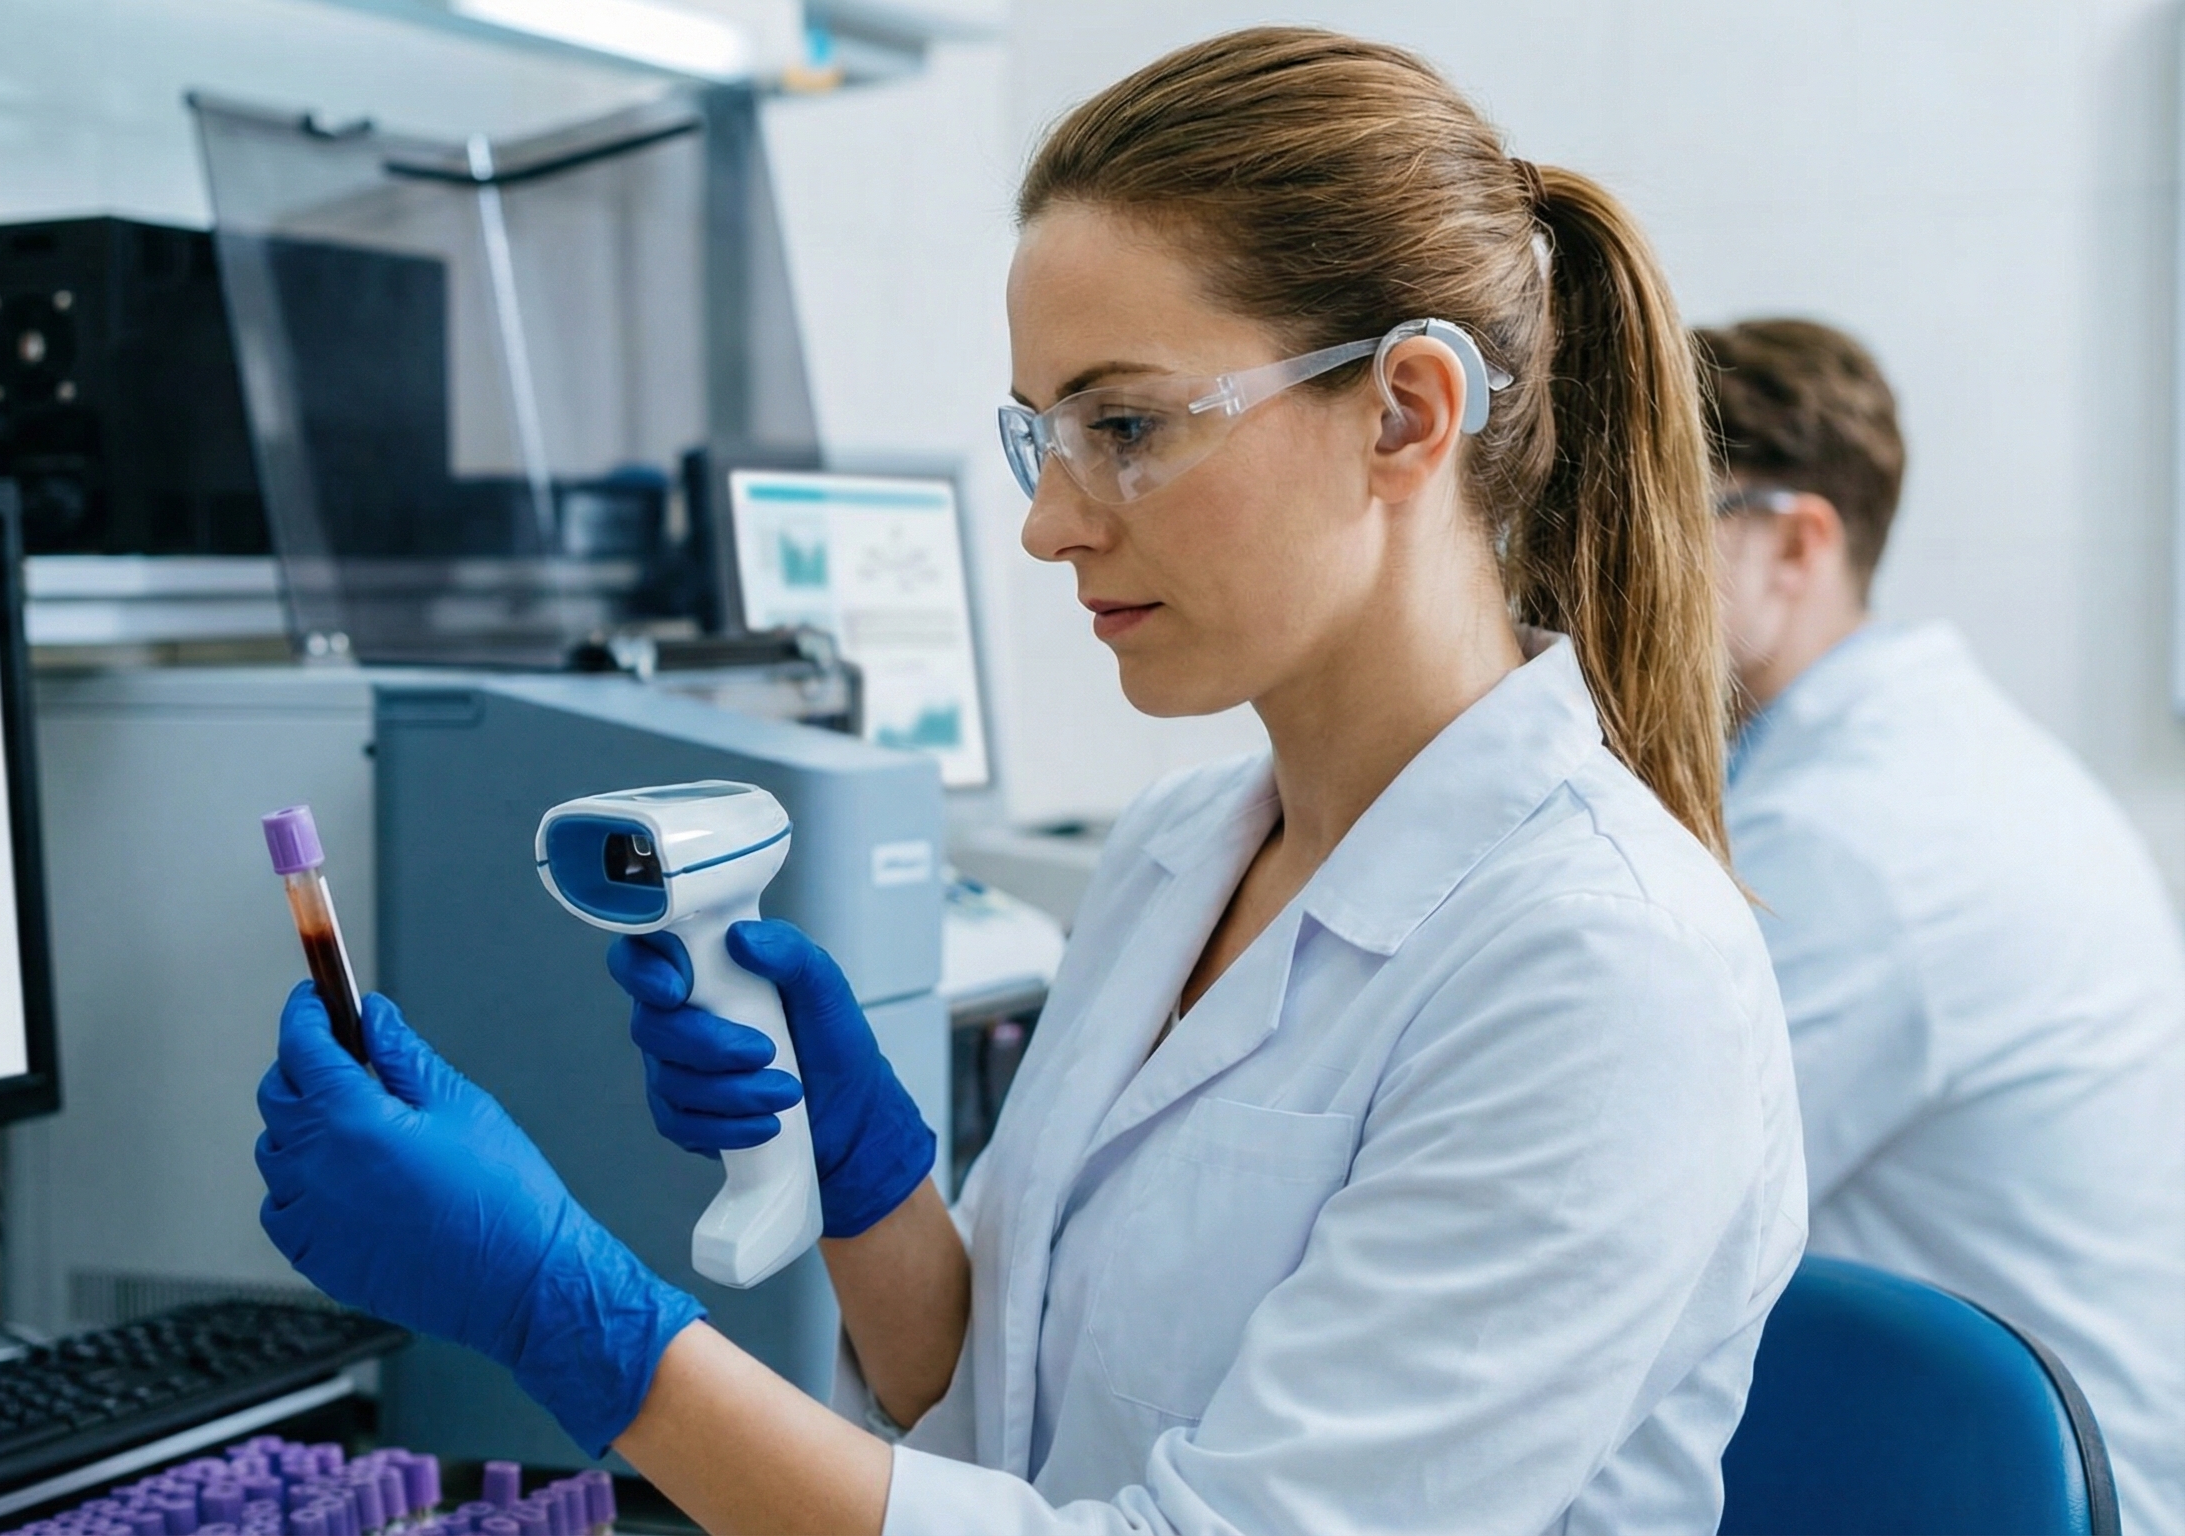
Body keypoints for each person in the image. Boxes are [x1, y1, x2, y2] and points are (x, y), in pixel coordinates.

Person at [254, 28, 1806, 1533]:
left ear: (1405, 413)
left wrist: (567, 1314)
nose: (1050, 523)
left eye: (1125, 425)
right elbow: (980, 1404)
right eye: (1043, 437)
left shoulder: (1604, 968)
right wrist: (869, 1190)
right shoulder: (1181, 849)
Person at [1704, 317, 2185, 1530]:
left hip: (2006, 1495)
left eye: (1660, 519)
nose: (1600, 567)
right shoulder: (1926, 762)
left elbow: (1624, 1203)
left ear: (1796, 545)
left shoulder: (1859, 844)